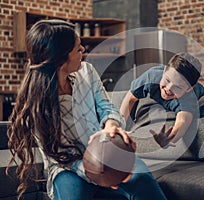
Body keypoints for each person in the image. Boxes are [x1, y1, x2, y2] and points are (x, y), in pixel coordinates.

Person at [6, 19, 167, 200]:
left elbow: (106, 107)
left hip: (106, 154)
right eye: (78, 49)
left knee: (141, 178)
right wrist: (97, 172)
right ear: (60, 60)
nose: (83, 51)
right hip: (66, 167)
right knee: (74, 195)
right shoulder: (36, 101)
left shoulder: (87, 72)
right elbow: (58, 155)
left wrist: (110, 126)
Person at [120, 52, 204, 148]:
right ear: (165, 71)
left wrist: (169, 139)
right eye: (168, 80)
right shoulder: (151, 76)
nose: (169, 88)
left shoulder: (190, 96)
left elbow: (183, 122)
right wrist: (119, 127)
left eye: (177, 87)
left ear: (189, 88)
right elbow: (131, 98)